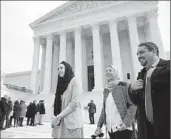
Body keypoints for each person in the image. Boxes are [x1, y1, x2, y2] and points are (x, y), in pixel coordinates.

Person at [128, 42, 170, 139]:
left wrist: (153, 73)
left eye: (142, 52)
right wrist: (132, 90)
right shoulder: (142, 74)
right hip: (147, 128)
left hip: (166, 126)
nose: (139, 56)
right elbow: (137, 101)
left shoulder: (167, 65)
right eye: (137, 54)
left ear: (154, 51)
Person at [93, 65, 137, 139]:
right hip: (111, 129)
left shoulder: (124, 86)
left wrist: (125, 123)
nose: (108, 72)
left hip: (123, 127)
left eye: (110, 70)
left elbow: (133, 105)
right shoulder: (106, 90)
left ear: (116, 72)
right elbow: (104, 110)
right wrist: (98, 126)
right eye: (106, 71)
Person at [51, 61, 83, 138]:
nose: (59, 70)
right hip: (59, 123)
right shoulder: (59, 84)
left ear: (67, 69)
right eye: (58, 69)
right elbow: (55, 103)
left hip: (71, 122)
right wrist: (54, 117)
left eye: (61, 68)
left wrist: (60, 115)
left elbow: (74, 103)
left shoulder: (75, 81)